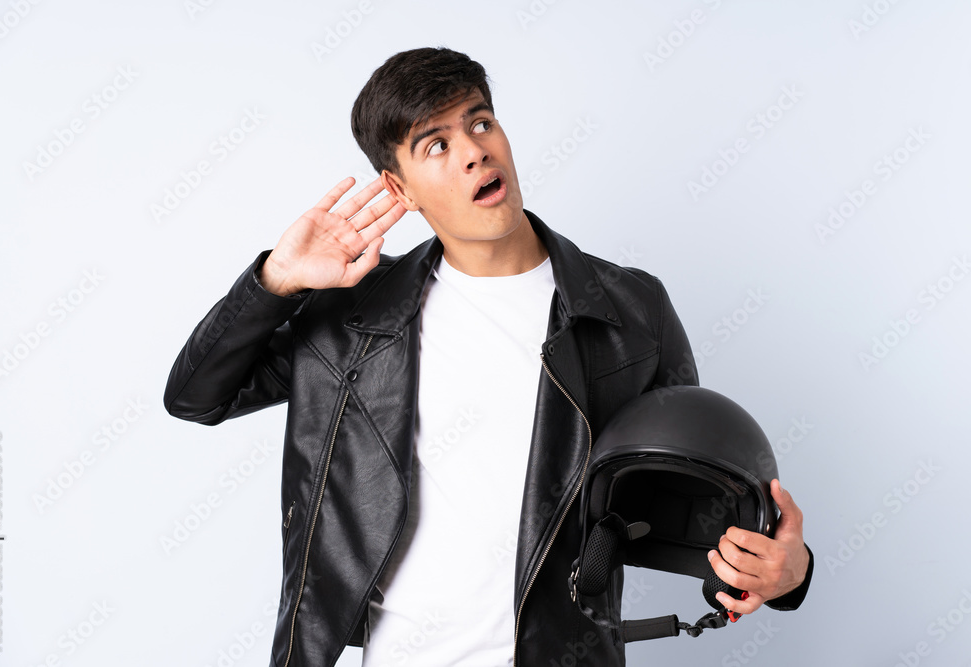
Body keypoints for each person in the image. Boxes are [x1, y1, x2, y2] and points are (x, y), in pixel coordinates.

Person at [164, 47, 813, 667]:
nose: (474, 151)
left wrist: (785, 572)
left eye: (480, 122)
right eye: (437, 144)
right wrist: (276, 282)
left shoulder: (628, 310)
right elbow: (197, 395)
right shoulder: (352, 317)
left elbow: (680, 503)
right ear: (400, 186)